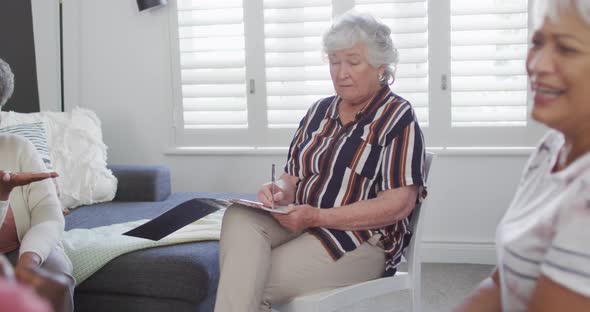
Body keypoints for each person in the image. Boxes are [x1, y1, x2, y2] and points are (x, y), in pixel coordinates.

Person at [215, 11, 426, 312]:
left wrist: (317, 217)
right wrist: (277, 189)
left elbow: (399, 204)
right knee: (238, 215)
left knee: (247, 283)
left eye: (353, 62)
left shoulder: (397, 116)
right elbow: (292, 178)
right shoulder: (319, 111)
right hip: (299, 220)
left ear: (381, 68)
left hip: (359, 239)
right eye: (334, 61)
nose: (341, 73)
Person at [455, 0, 590, 311]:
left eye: (566, 49)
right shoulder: (551, 148)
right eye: (537, 42)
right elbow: (502, 282)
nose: (538, 64)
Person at [0, 57, 75, 312]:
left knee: (56, 283)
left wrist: (29, 261)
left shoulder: (18, 147)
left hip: (27, 245)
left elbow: (48, 214)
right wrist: (3, 196)